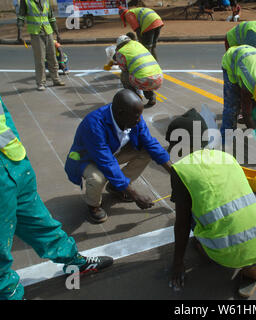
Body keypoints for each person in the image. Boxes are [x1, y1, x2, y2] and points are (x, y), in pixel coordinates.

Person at [0, 96, 113, 300]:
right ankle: (9, 294)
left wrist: (20, 160)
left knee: (40, 222)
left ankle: (73, 261)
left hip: (14, 165)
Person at [166, 113, 256, 298]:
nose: (169, 148)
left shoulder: (182, 170)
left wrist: (177, 264)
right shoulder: (226, 157)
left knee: (194, 213)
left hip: (222, 253)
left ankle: (211, 251)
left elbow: (182, 225)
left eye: (172, 143)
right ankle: (252, 268)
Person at [64, 89, 172, 224]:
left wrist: (174, 173)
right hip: (87, 159)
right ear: (121, 113)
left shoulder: (132, 116)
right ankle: (93, 205)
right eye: (136, 116)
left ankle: (116, 188)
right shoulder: (94, 125)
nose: (139, 120)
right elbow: (107, 164)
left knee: (146, 151)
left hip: (112, 151)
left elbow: (150, 143)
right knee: (98, 178)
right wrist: (135, 195)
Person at [16, 0, 65, 91]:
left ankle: (56, 79)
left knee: (52, 57)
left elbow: (51, 17)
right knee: (40, 59)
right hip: (36, 33)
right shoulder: (26, 1)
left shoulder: (46, 1)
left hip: (48, 31)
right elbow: (21, 17)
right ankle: (41, 83)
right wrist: (19, 34)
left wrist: (57, 33)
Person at [114, 35, 163, 108]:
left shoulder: (121, 52)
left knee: (124, 76)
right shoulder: (138, 44)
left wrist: (117, 60)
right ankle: (151, 97)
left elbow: (124, 69)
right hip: (159, 78)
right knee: (142, 74)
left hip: (144, 80)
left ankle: (136, 99)